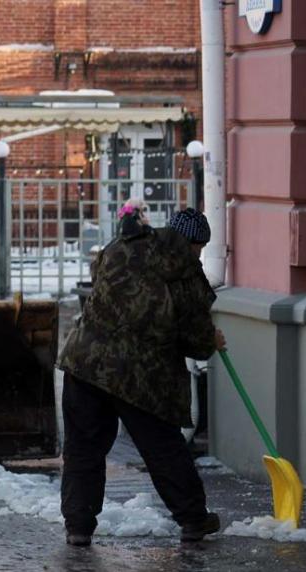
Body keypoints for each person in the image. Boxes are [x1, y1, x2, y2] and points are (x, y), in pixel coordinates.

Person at [57, 207, 226, 546]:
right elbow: (195, 337)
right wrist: (211, 340)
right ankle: (193, 519)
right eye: (201, 248)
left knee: (83, 449)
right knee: (163, 448)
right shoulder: (185, 271)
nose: (200, 255)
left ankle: (78, 527)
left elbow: (102, 286)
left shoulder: (121, 246)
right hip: (141, 376)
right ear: (194, 243)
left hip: (85, 361)